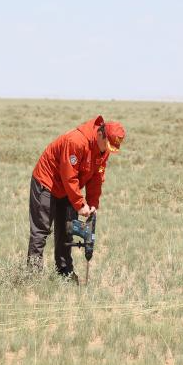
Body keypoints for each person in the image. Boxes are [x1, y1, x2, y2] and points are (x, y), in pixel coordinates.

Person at [27, 116, 126, 280]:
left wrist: (93, 203)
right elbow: (69, 176)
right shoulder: (77, 141)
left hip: (69, 189)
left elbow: (96, 178)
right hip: (47, 183)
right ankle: (32, 276)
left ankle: (64, 272)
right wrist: (80, 204)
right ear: (100, 134)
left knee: (67, 229)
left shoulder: (103, 151)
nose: (107, 150)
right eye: (107, 145)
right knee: (41, 230)